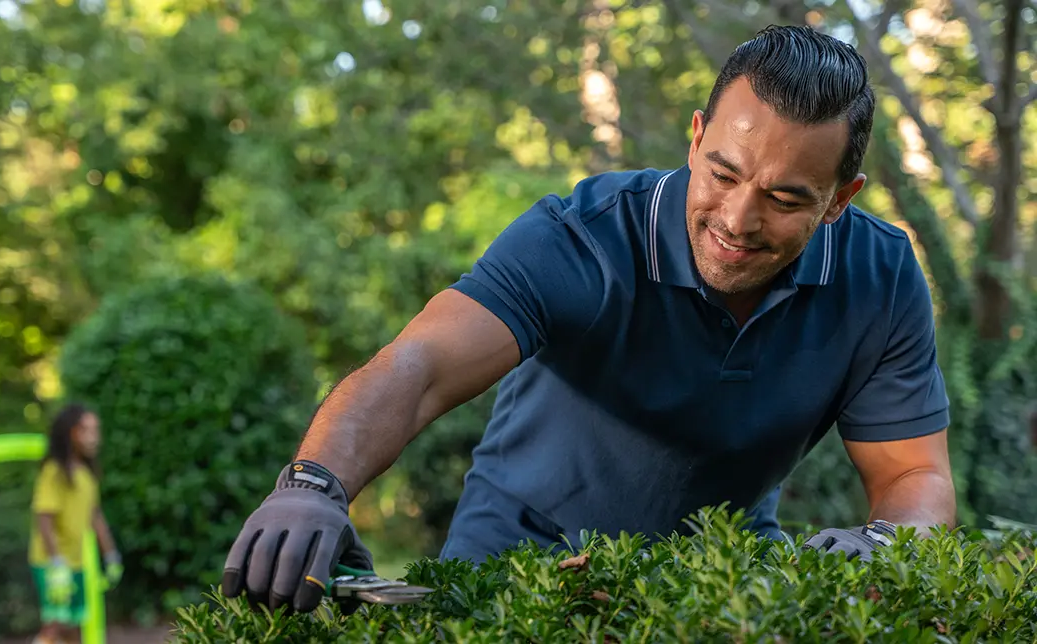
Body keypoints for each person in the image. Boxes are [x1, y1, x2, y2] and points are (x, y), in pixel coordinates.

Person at [221, 25, 957, 615]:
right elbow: (420, 367)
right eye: (724, 174)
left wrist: (891, 542)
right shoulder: (582, 237)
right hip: (516, 557)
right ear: (696, 138)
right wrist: (314, 484)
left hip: (714, 581)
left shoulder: (881, 276)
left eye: (787, 199)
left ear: (840, 198)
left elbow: (914, 472)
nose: (738, 220)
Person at [28, 403, 124, 644]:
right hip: (52, 562)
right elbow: (44, 518)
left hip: (77, 561)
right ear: (70, 433)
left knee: (74, 626)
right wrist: (56, 562)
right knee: (55, 623)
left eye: (96, 430)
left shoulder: (86, 474)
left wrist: (110, 554)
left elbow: (95, 517)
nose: (94, 437)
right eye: (86, 430)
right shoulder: (54, 472)